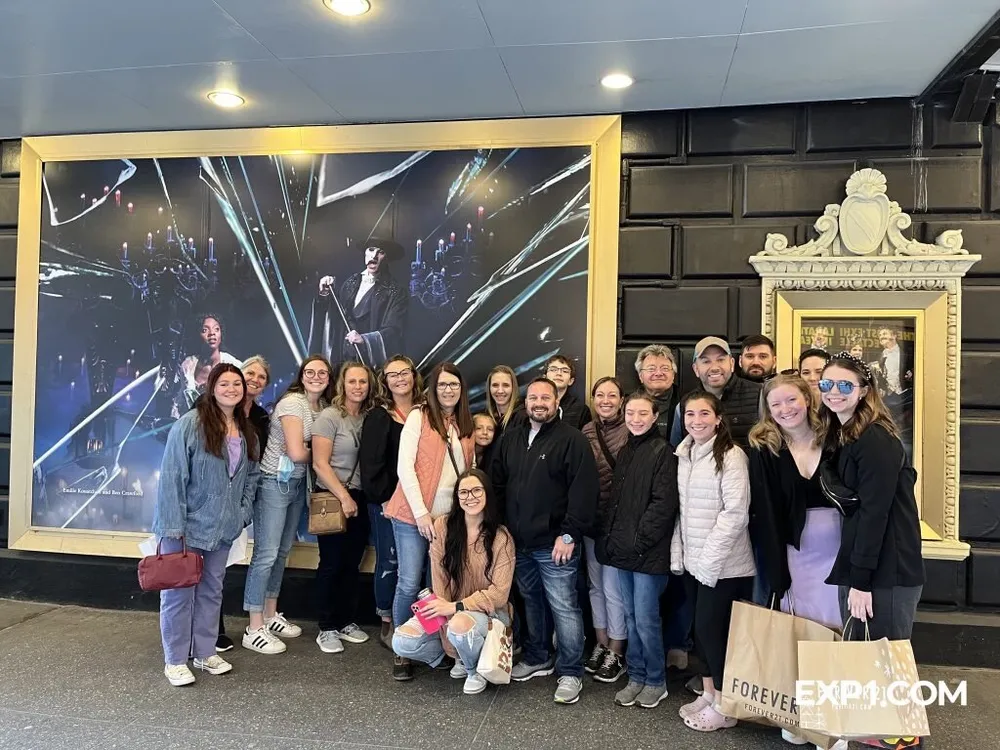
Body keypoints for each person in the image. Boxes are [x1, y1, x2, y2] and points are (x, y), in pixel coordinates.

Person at [748, 375, 849, 749]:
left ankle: (832, 721)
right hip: (796, 553)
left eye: (791, 400)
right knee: (802, 632)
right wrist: (776, 569)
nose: (784, 410)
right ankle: (800, 714)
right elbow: (766, 510)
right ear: (768, 411)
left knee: (836, 633)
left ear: (807, 399)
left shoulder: (837, 437)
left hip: (839, 551)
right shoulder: (764, 447)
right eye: (776, 405)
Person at [492, 377, 599, 705]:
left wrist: (569, 535)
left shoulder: (573, 440)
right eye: (533, 397)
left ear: (556, 402)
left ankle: (571, 671)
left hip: (556, 544)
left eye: (545, 398)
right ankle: (538, 656)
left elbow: (584, 492)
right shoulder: (510, 439)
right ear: (526, 402)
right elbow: (497, 484)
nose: (539, 402)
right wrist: (501, 529)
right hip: (519, 542)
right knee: (531, 600)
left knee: (564, 607)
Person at [153, 363, 259, 686]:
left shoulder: (246, 430)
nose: (231, 389)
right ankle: (174, 660)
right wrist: (174, 526)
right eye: (224, 383)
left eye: (236, 384)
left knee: (212, 592)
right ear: (211, 388)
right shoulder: (189, 425)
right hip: (184, 528)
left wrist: (241, 515)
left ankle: (204, 652)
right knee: (178, 595)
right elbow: (172, 478)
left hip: (222, 530)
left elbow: (251, 477)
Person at [818, 353, 924, 640]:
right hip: (867, 565)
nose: (834, 392)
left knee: (883, 669)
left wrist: (861, 582)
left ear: (864, 390)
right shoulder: (845, 436)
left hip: (885, 571)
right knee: (862, 671)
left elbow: (875, 514)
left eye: (845, 385)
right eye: (827, 384)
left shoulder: (875, 440)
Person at [384, 362, 475, 680]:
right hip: (412, 517)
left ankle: (435, 644)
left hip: (448, 520)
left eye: (454, 385)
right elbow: (404, 468)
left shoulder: (465, 424)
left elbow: (469, 471)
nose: (448, 390)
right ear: (433, 389)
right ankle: (401, 649)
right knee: (409, 582)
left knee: (436, 586)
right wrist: (421, 514)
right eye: (443, 385)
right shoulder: (418, 417)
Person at [672, 391, 755, 732]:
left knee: (713, 630)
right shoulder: (685, 454)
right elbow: (681, 511)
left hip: (724, 566)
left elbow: (735, 515)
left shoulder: (732, 456)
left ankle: (725, 705)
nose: (696, 421)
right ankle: (708, 693)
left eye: (704, 414)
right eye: (690, 414)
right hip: (694, 563)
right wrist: (682, 555)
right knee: (699, 632)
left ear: (718, 418)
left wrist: (708, 562)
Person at [391, 469, 515, 695]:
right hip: (447, 607)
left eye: (477, 490)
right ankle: (451, 657)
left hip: (489, 613)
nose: (471, 497)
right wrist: (449, 632)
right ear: (457, 498)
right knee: (401, 641)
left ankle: (472, 670)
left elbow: (499, 595)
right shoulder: (442, 527)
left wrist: (455, 608)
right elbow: (439, 582)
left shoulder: (501, 536)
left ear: (487, 494)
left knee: (460, 625)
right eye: (464, 492)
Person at [242, 354, 334, 654]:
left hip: (296, 484)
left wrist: (311, 450)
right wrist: (323, 453)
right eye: (311, 371)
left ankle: (270, 614)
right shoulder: (293, 403)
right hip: (274, 482)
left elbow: (302, 451)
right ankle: (253, 626)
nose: (316, 376)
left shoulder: (321, 408)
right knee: (266, 554)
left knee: (282, 552)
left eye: (323, 372)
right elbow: (296, 453)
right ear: (301, 374)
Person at [599, 392, 679, 710]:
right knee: (631, 616)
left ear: (655, 415)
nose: (635, 419)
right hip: (624, 551)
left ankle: (656, 681)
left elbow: (664, 504)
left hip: (648, 554)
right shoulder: (627, 451)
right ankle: (637, 675)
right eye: (630, 412)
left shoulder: (663, 451)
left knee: (646, 619)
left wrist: (639, 541)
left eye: (642, 413)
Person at [312, 361, 379, 654]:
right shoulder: (330, 416)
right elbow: (319, 463)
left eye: (363, 382)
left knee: (352, 564)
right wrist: (344, 497)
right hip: (331, 497)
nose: (358, 387)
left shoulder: (368, 418)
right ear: (342, 384)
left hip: (361, 498)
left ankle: (346, 621)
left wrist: (355, 499)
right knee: (331, 563)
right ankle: (326, 626)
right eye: (352, 381)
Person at [360, 355, 422, 650]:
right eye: (392, 374)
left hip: (419, 503)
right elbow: (371, 465)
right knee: (391, 561)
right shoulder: (380, 416)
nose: (399, 378)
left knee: (416, 567)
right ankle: (387, 620)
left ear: (413, 376)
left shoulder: (425, 411)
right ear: (384, 381)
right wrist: (384, 500)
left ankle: (415, 622)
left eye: (404, 372)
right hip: (387, 502)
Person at [215, 354, 272, 653]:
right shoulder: (214, 412)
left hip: (243, 499)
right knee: (211, 566)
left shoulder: (262, 417)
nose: (255, 380)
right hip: (213, 500)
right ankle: (212, 630)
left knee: (223, 564)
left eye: (261, 377)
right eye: (249, 373)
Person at [580, 377, 630, 683]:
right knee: (595, 586)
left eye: (613, 395)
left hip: (619, 524)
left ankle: (617, 649)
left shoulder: (631, 429)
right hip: (592, 521)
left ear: (622, 400)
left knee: (614, 590)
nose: (606, 400)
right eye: (600, 395)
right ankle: (600, 643)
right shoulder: (586, 431)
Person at [315, 238, 408, 368]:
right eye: (370, 250)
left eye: (380, 252)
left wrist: (365, 340)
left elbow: (394, 331)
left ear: (388, 257)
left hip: (368, 363)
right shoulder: (351, 282)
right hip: (342, 359)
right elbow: (335, 318)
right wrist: (325, 293)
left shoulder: (396, 291)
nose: (374, 256)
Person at [669, 337, 761, 450]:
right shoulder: (684, 405)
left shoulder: (760, 395)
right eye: (706, 361)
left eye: (721, 360)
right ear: (696, 369)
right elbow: (676, 450)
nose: (714, 368)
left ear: (732, 364)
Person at [176, 313, 242, 415]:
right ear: (197, 335)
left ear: (221, 334)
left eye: (216, 329)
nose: (212, 333)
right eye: (205, 330)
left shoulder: (233, 365)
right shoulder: (188, 366)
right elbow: (180, 403)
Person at [634, 345, 678, 439]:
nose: (658, 373)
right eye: (651, 369)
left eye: (665, 368)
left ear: (673, 375)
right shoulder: (628, 405)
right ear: (640, 376)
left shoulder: (685, 404)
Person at [543, 355, 592, 431]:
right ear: (544, 377)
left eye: (565, 371)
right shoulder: (531, 405)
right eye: (553, 370)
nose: (559, 373)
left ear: (571, 381)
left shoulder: (581, 410)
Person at [486, 364, 526, 441]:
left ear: (513, 388)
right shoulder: (487, 418)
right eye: (495, 385)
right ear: (489, 388)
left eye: (506, 385)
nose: (500, 391)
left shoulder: (522, 418)